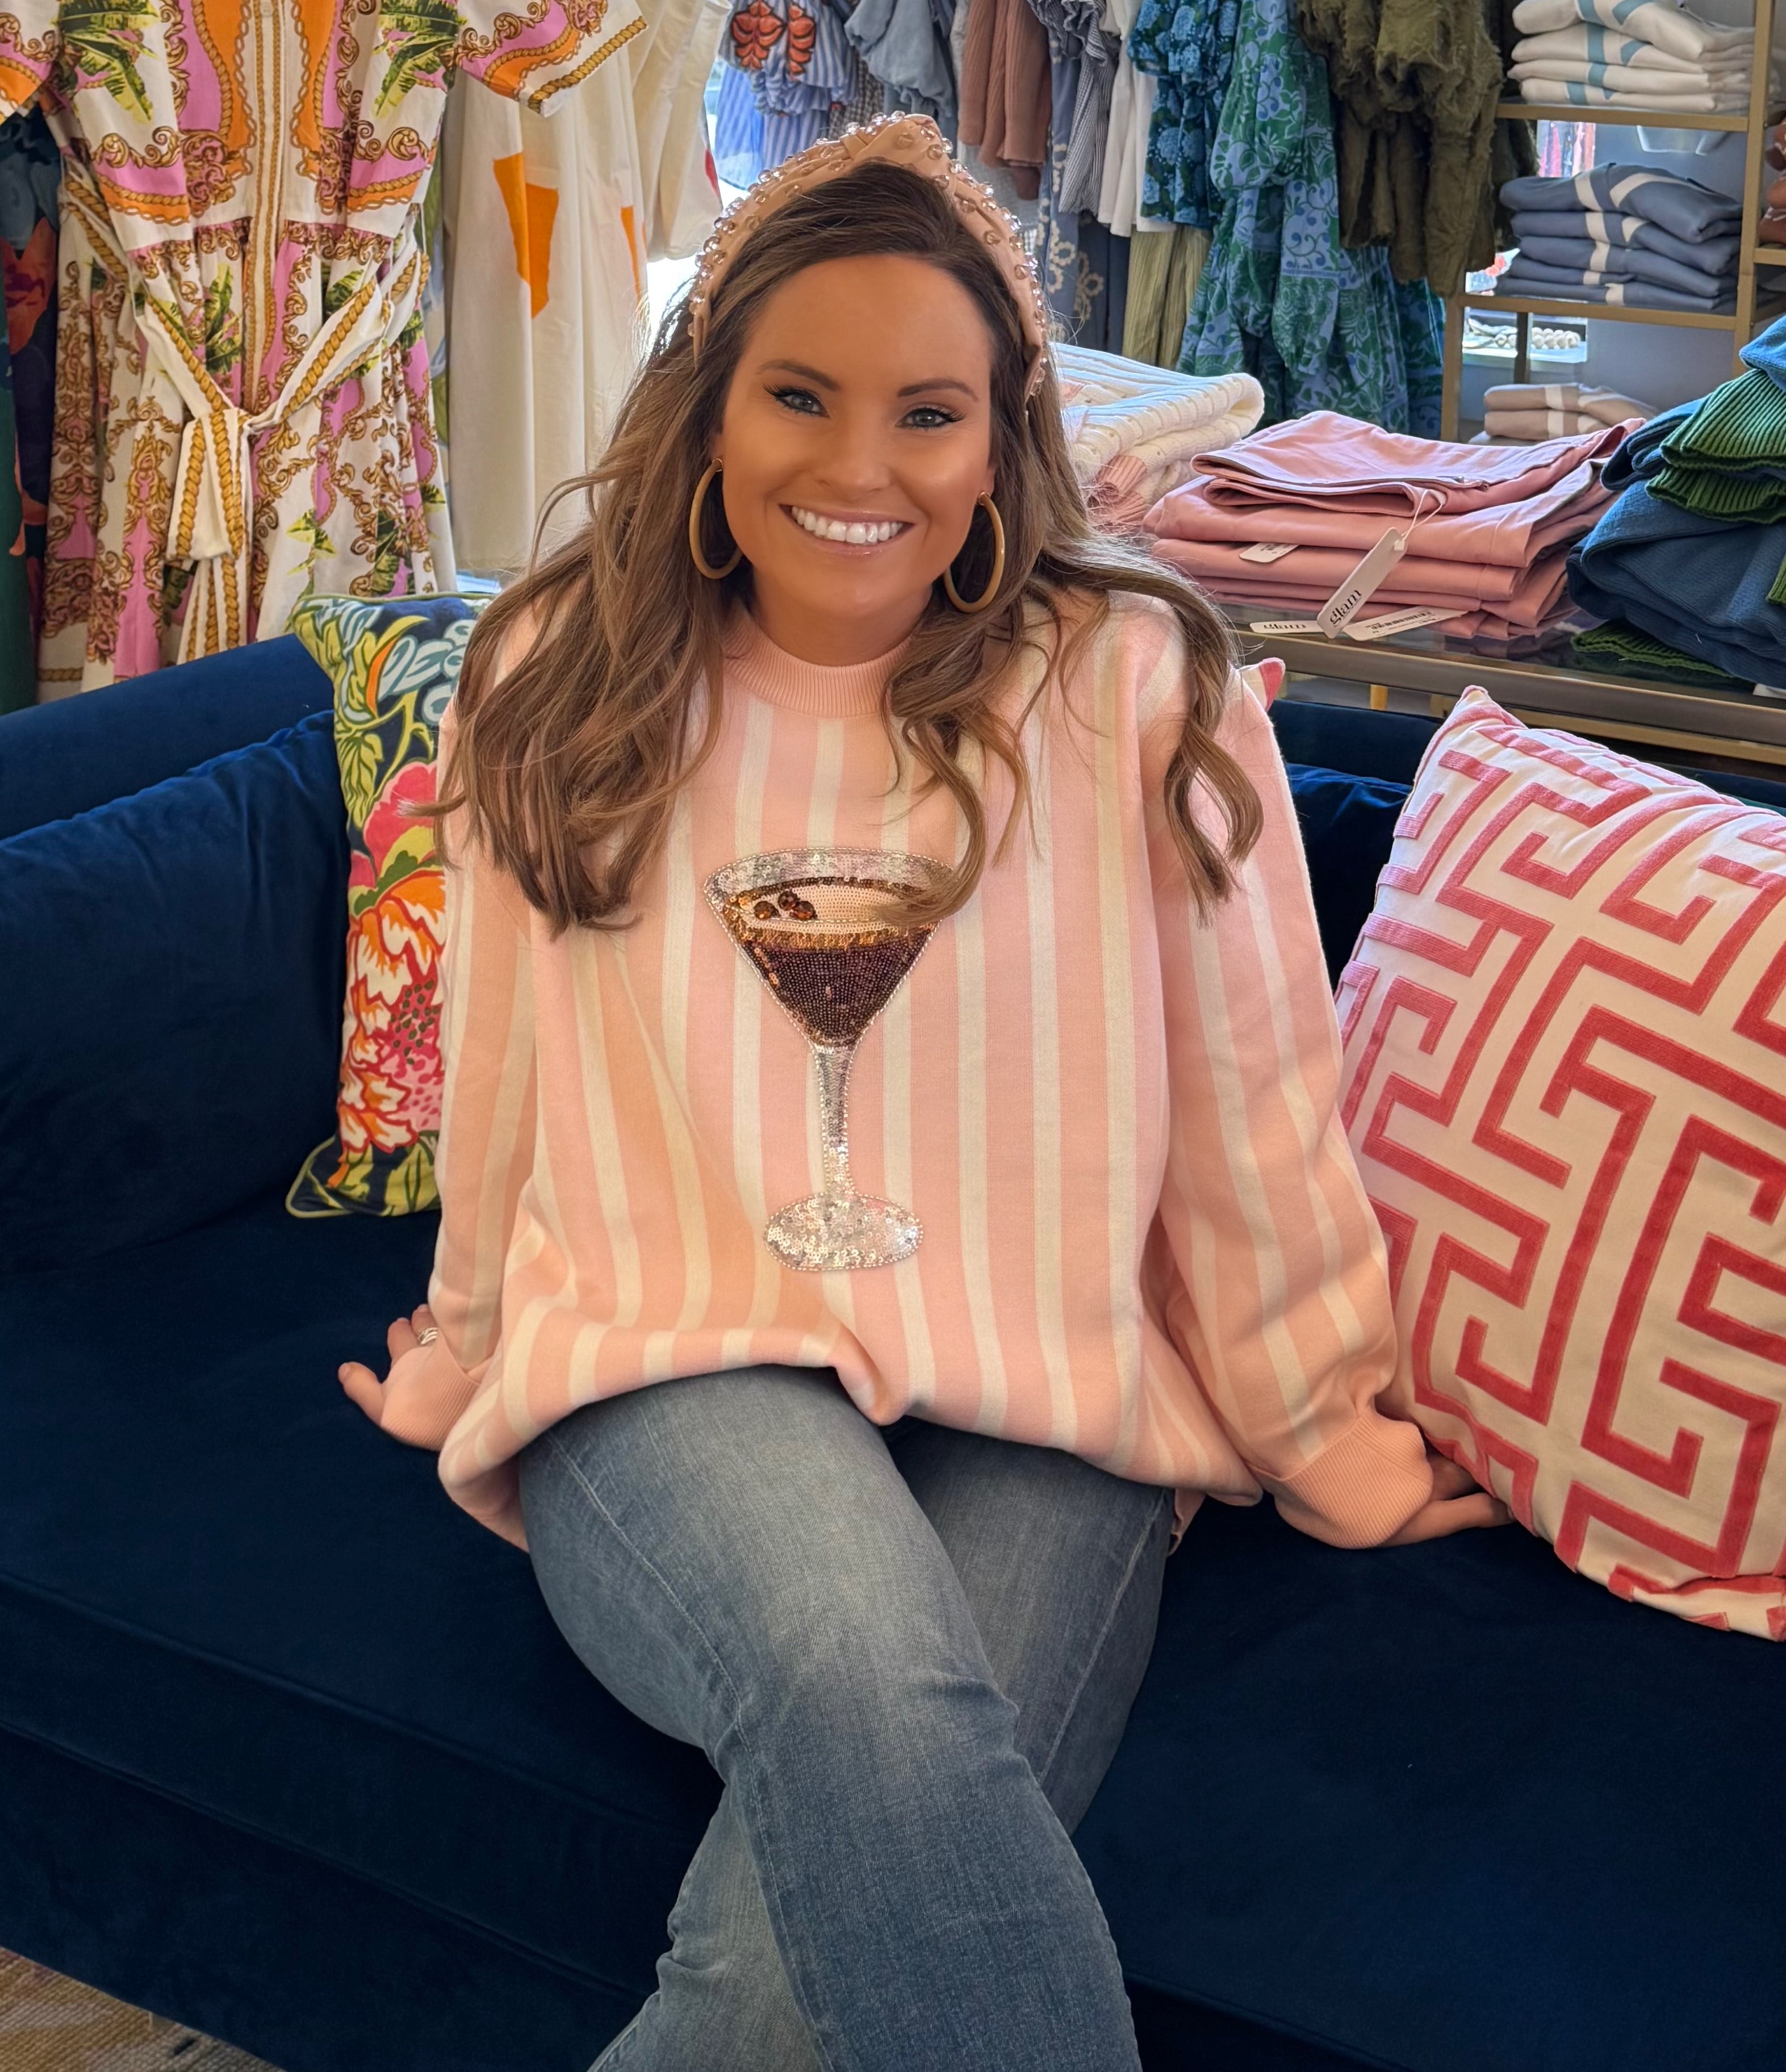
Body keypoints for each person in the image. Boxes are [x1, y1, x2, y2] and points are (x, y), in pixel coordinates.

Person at [338, 113, 1504, 2072]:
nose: (859, 468)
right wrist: (466, 1351)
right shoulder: (557, 667)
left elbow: (1252, 1095)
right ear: (711, 407)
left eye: (927, 414)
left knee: (773, 1977)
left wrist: (1327, 1431)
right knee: (866, 1677)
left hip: (1049, 1392)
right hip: (670, 1362)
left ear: (999, 438)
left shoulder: (1131, 682)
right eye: (799, 396)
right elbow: (506, 1062)